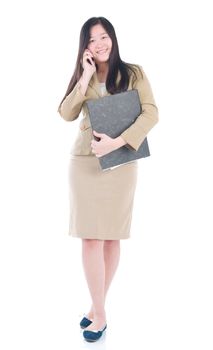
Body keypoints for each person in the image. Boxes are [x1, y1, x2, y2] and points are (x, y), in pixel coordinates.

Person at [57, 16, 159, 342]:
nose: (99, 44)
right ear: (84, 47)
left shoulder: (134, 73)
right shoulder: (83, 75)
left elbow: (151, 112)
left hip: (122, 161)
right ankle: (100, 312)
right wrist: (85, 76)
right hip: (86, 163)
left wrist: (118, 141)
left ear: (112, 38)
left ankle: (95, 308)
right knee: (91, 238)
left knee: (111, 238)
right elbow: (66, 113)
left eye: (104, 37)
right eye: (91, 40)